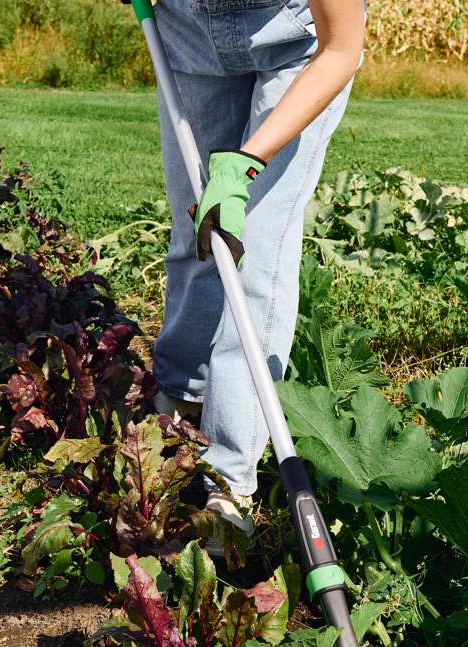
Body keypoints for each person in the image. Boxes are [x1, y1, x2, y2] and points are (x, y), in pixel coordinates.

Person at [149, 0, 365, 548]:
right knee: (196, 232)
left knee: (253, 251)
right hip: (188, 33)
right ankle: (180, 401)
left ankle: (227, 478)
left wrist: (246, 163)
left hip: (297, 48)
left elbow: (341, 49)